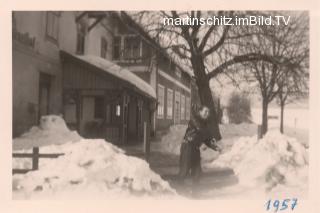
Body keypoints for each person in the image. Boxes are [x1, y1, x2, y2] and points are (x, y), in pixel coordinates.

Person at [178, 104, 221, 184]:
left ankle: (195, 192)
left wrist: (215, 147)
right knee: (184, 170)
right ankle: (178, 190)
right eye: (205, 111)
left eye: (208, 112)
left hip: (195, 148)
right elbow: (200, 129)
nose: (207, 114)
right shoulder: (195, 119)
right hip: (187, 146)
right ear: (200, 112)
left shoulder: (204, 123)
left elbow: (206, 139)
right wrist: (210, 136)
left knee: (197, 172)